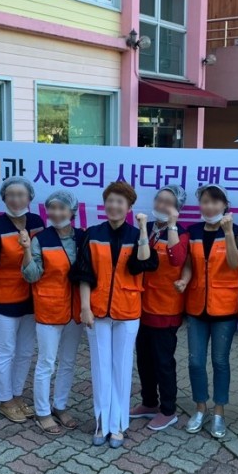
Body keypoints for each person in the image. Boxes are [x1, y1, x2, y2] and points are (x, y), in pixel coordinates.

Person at [74, 181, 158, 448]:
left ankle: (119, 425)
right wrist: (85, 307)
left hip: (128, 310)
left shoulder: (136, 234)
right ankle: (101, 422)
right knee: (101, 368)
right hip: (97, 311)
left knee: (121, 368)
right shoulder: (93, 233)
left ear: (129, 207)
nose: (114, 206)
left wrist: (143, 229)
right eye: (110, 200)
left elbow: (143, 264)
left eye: (120, 202)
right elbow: (84, 273)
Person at [181, 184, 238, 439]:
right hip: (196, 306)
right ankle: (200, 408)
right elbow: (188, 264)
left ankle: (219, 412)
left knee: (220, 361)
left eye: (215, 202)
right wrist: (184, 280)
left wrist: (227, 232)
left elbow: (234, 263)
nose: (209, 206)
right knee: (195, 361)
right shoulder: (193, 231)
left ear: (224, 205)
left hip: (224, 308)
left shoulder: (237, 231)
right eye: (205, 201)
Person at [0, 176, 45, 424]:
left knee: (25, 351)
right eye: (11, 194)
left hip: (32, 297)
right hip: (4, 297)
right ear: (4, 198)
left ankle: (16, 395)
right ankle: (4, 399)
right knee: (6, 350)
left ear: (30, 198)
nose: (16, 199)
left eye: (21, 194)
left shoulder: (37, 222)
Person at [22, 190, 85, 435]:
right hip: (49, 308)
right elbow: (31, 275)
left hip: (75, 311)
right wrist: (26, 250)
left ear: (72, 211)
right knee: (47, 362)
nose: (56, 213)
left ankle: (60, 406)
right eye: (52, 208)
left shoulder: (82, 237)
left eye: (62, 208)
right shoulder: (40, 239)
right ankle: (42, 412)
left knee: (68, 361)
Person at [130, 185, 188, 432]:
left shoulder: (181, 233)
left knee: (163, 362)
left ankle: (168, 410)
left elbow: (176, 259)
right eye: (159, 200)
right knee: (144, 359)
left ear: (177, 208)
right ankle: (149, 402)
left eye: (168, 202)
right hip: (141, 306)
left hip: (165, 308)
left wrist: (172, 225)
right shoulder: (148, 227)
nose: (162, 205)